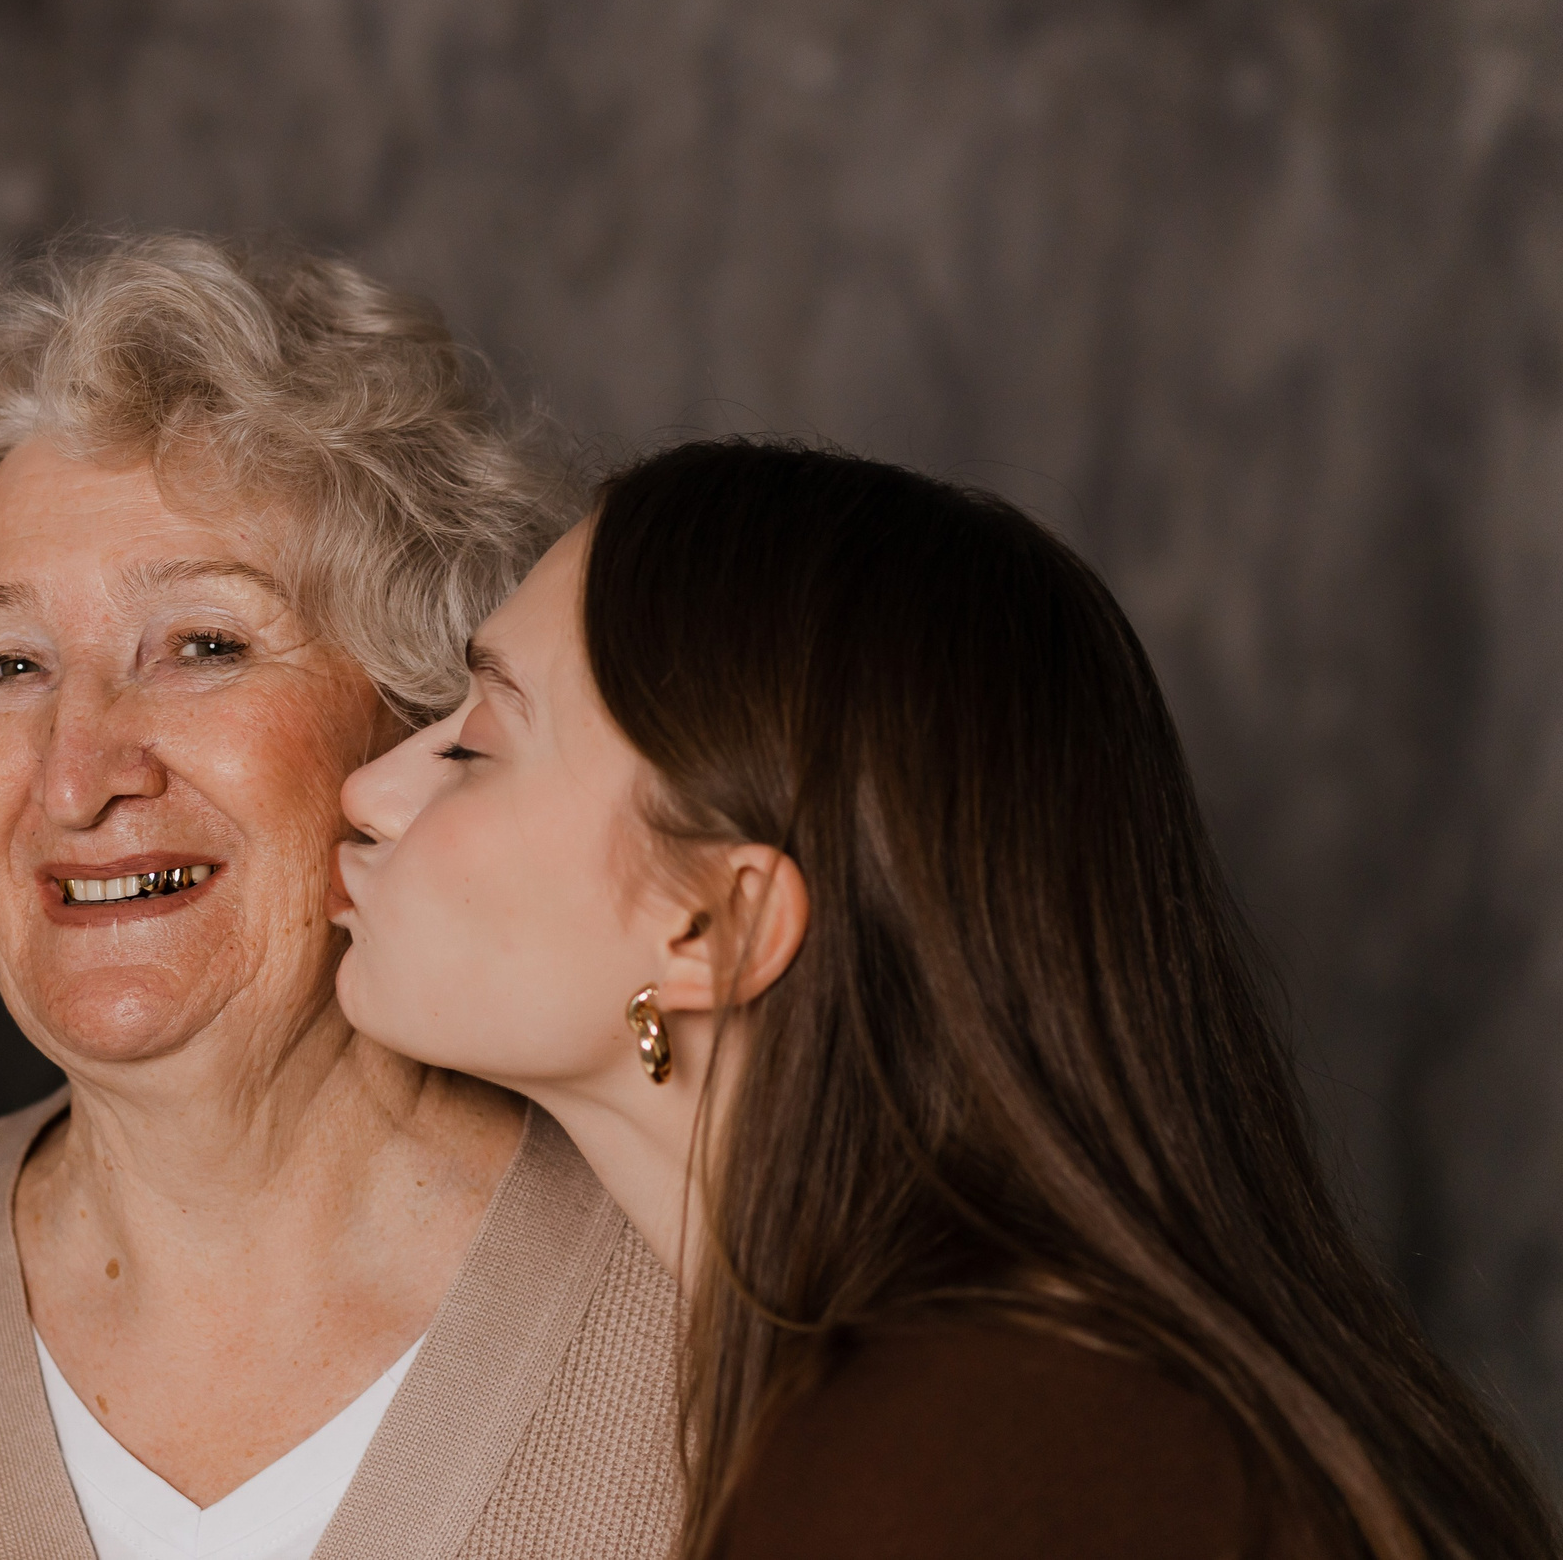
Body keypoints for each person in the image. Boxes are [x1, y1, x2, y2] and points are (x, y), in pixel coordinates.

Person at [333, 436, 1561, 1559]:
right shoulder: (1018, 1403)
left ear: (715, 924)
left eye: (475, 744)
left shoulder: (965, 1468)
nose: (370, 791)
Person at [0, 232, 686, 1560]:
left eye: (203, 644)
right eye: (6, 664)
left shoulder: (695, 1300)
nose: (78, 775)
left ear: (412, 713)